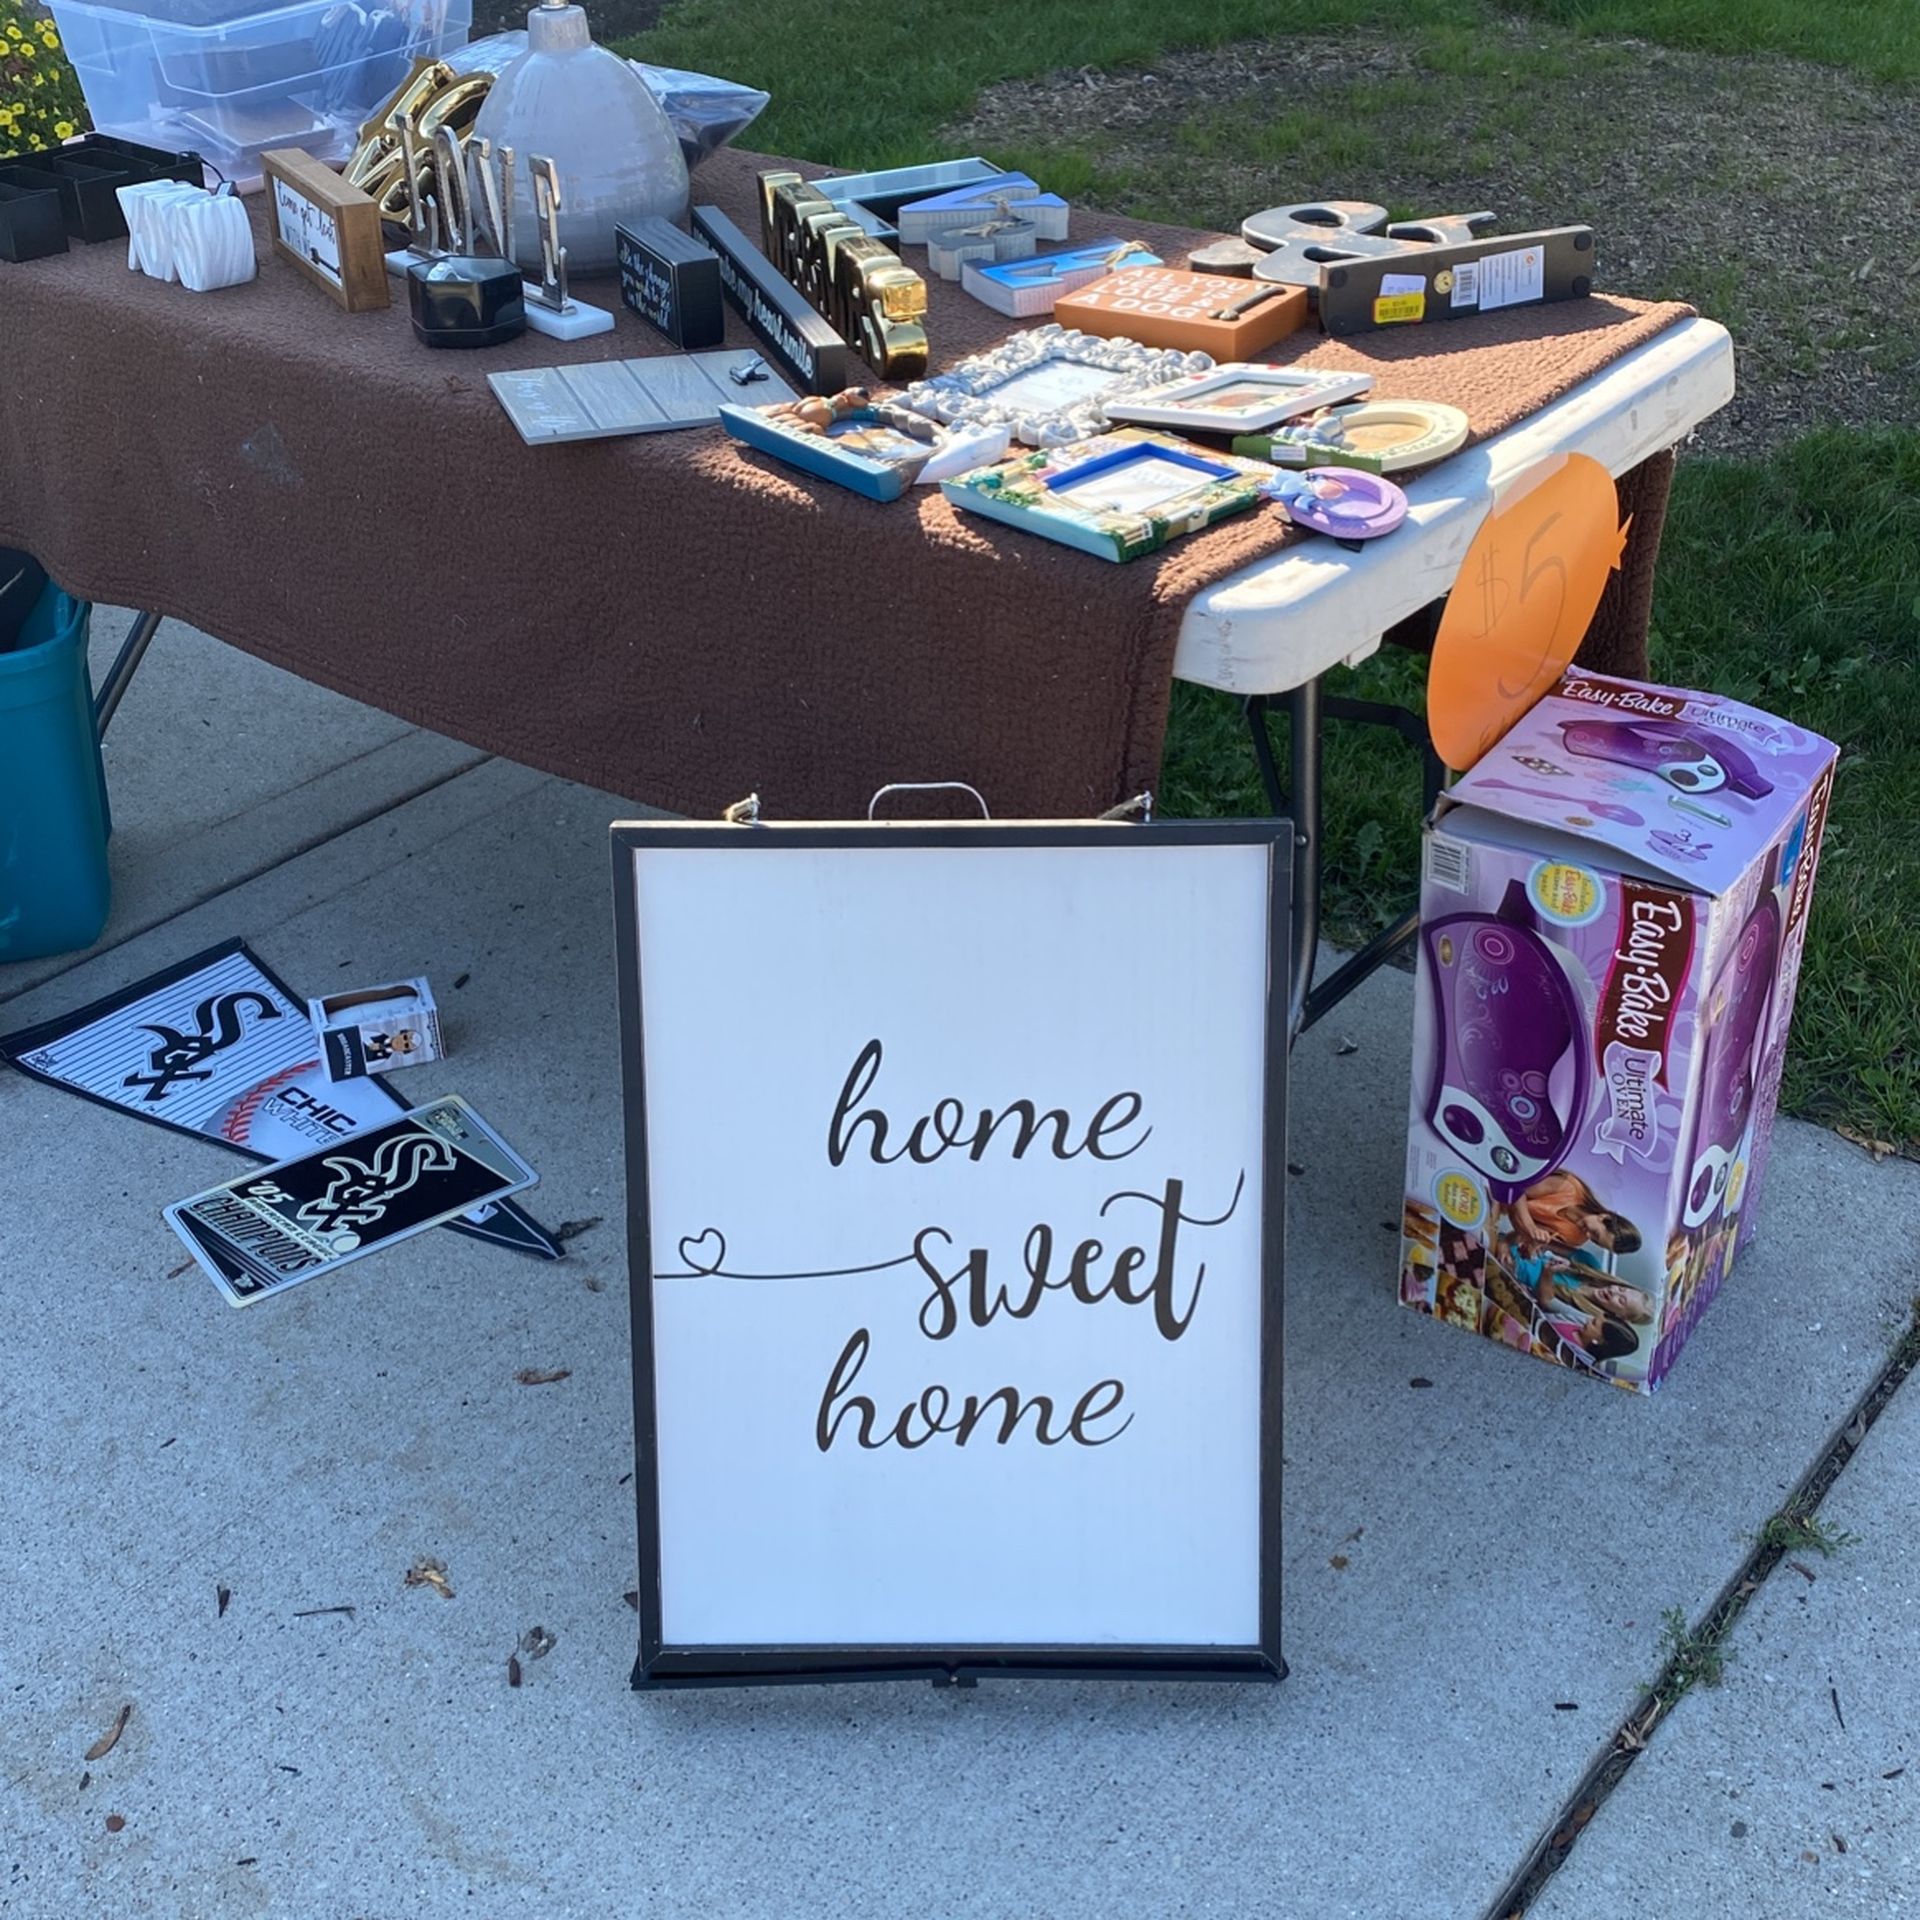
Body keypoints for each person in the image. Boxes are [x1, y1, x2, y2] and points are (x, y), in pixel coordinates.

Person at [1506, 1169, 1643, 1258]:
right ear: (1604, 1217)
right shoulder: (1570, 1187)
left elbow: (1522, 1229)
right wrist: (1530, 1227)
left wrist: (1531, 1243)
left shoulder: (1575, 1238)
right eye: (1595, 1233)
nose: (1588, 1236)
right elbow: (1516, 1188)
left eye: (1595, 1241)